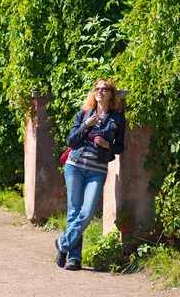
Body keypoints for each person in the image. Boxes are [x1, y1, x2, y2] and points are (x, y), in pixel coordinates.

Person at [55, 78, 125, 270]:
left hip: (98, 170)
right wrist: (86, 124)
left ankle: (62, 243)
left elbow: (120, 147)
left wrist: (107, 145)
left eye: (104, 88)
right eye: (97, 88)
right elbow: (70, 141)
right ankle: (74, 258)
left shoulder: (118, 119)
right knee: (74, 211)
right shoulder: (84, 114)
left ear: (111, 94)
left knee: (87, 212)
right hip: (75, 166)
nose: (100, 91)